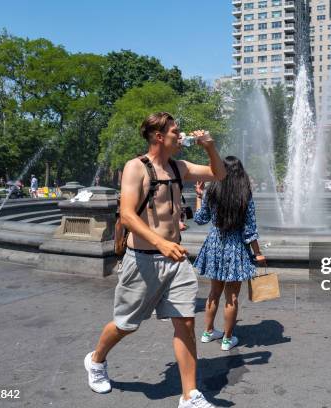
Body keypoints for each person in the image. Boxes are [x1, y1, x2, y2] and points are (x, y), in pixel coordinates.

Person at [84, 112, 226, 408]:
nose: (181, 134)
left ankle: (189, 395)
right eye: (176, 131)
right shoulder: (136, 167)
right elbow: (126, 214)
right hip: (144, 260)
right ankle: (96, 360)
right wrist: (160, 243)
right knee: (126, 324)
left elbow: (219, 174)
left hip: (176, 258)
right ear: (159, 137)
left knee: (186, 322)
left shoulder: (179, 167)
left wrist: (210, 147)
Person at [193, 157, 266, 352]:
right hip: (235, 246)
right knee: (232, 296)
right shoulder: (244, 194)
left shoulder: (213, 190)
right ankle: (227, 338)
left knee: (213, 293)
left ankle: (208, 332)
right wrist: (258, 253)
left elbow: (200, 219)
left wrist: (199, 196)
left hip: (215, 244)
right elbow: (250, 230)